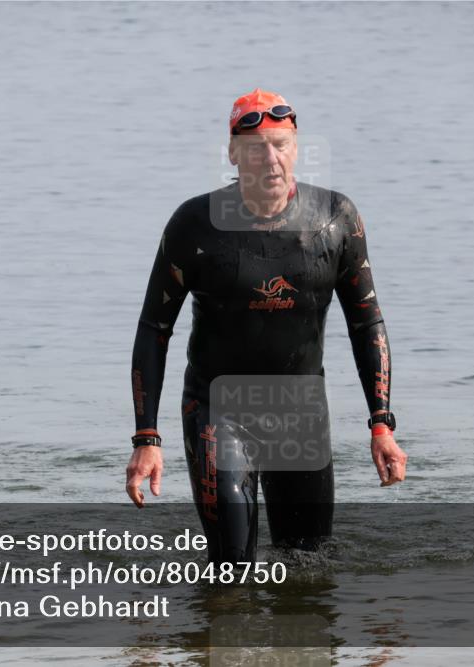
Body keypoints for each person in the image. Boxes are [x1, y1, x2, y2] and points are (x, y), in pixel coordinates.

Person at [126, 88, 406, 563]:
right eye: (256, 148)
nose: (271, 160)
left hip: (301, 413)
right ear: (234, 154)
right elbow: (155, 328)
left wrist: (381, 424)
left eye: (281, 145)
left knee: (309, 566)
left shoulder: (337, 220)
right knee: (233, 564)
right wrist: (146, 439)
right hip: (218, 411)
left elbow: (367, 322)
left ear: (296, 148)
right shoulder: (195, 225)